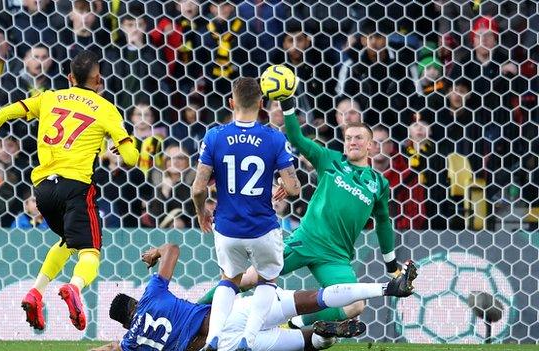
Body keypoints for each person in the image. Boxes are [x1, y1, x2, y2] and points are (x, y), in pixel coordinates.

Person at [0, 50, 140, 331]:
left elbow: (4, 113)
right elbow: (131, 159)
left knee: (67, 242)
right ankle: (74, 288)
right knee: (90, 252)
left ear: (69, 78)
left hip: (43, 190)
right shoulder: (105, 108)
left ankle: (36, 292)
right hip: (76, 188)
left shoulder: (50, 97)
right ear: (99, 80)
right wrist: (123, 144)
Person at [201, 94, 405, 328]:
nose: (352, 142)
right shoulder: (330, 160)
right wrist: (287, 106)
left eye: (359, 138)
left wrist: (392, 267)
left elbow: (383, 224)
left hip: (336, 256)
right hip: (305, 241)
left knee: (355, 306)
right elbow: (296, 138)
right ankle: (192, 311)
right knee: (246, 279)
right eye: (348, 138)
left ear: (370, 145)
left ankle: (298, 322)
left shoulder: (379, 183)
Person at [98, 243, 416, 351]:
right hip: (231, 315)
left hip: (226, 346)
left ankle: (322, 335)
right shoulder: (152, 296)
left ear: (125, 322)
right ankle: (387, 289)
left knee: (305, 344)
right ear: (135, 303)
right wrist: (156, 253)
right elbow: (173, 249)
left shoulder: (133, 343)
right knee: (313, 297)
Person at [192, 77, 301, 351]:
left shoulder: (214, 136)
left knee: (228, 280)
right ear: (261, 104)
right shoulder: (274, 138)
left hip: (227, 229)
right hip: (263, 228)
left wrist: (201, 213)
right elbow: (293, 187)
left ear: (231, 102)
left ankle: (214, 337)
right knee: (267, 280)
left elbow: (197, 189)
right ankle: (247, 339)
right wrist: (283, 188)